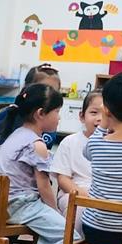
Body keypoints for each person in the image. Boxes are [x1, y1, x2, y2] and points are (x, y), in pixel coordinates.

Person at [0, 83, 65, 244]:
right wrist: (56, 211)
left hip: (3, 203)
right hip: (21, 205)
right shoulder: (36, 144)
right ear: (40, 114)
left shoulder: (16, 134)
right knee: (68, 233)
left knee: (55, 230)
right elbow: (44, 187)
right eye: (57, 112)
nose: (59, 118)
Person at [80, 74, 122, 244]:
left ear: (106, 111)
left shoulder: (96, 144)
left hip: (94, 230)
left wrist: (103, 125)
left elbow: (87, 151)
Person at [50, 90, 103, 234]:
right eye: (94, 113)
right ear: (82, 116)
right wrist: (82, 195)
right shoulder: (70, 142)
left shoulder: (116, 144)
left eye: (106, 114)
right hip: (74, 193)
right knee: (78, 210)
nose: (99, 118)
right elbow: (62, 178)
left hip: (104, 197)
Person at [0, 65, 61, 148]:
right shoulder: (12, 112)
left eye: (55, 91)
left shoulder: (51, 119)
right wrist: (9, 143)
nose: (51, 95)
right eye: (44, 89)